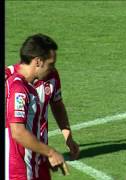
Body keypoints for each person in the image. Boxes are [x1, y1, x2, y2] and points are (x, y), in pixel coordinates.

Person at [6, 42, 80, 179]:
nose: (53, 68)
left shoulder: (52, 77)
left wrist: (68, 137)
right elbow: (17, 131)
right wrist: (51, 152)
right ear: (38, 62)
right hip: (19, 161)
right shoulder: (12, 80)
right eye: (50, 64)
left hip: (40, 154)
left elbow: (57, 105)